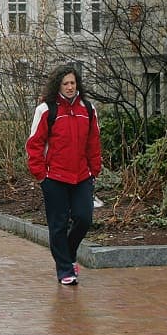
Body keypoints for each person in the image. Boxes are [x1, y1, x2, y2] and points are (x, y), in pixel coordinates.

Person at [26, 64, 102, 286]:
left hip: (82, 176)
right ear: (58, 85)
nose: (70, 87)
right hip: (54, 178)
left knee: (83, 218)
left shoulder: (88, 109)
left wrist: (94, 170)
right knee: (58, 225)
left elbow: (94, 142)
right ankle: (65, 270)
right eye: (65, 83)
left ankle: (67, 256)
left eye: (73, 83)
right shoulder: (46, 110)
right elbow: (34, 145)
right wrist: (41, 175)